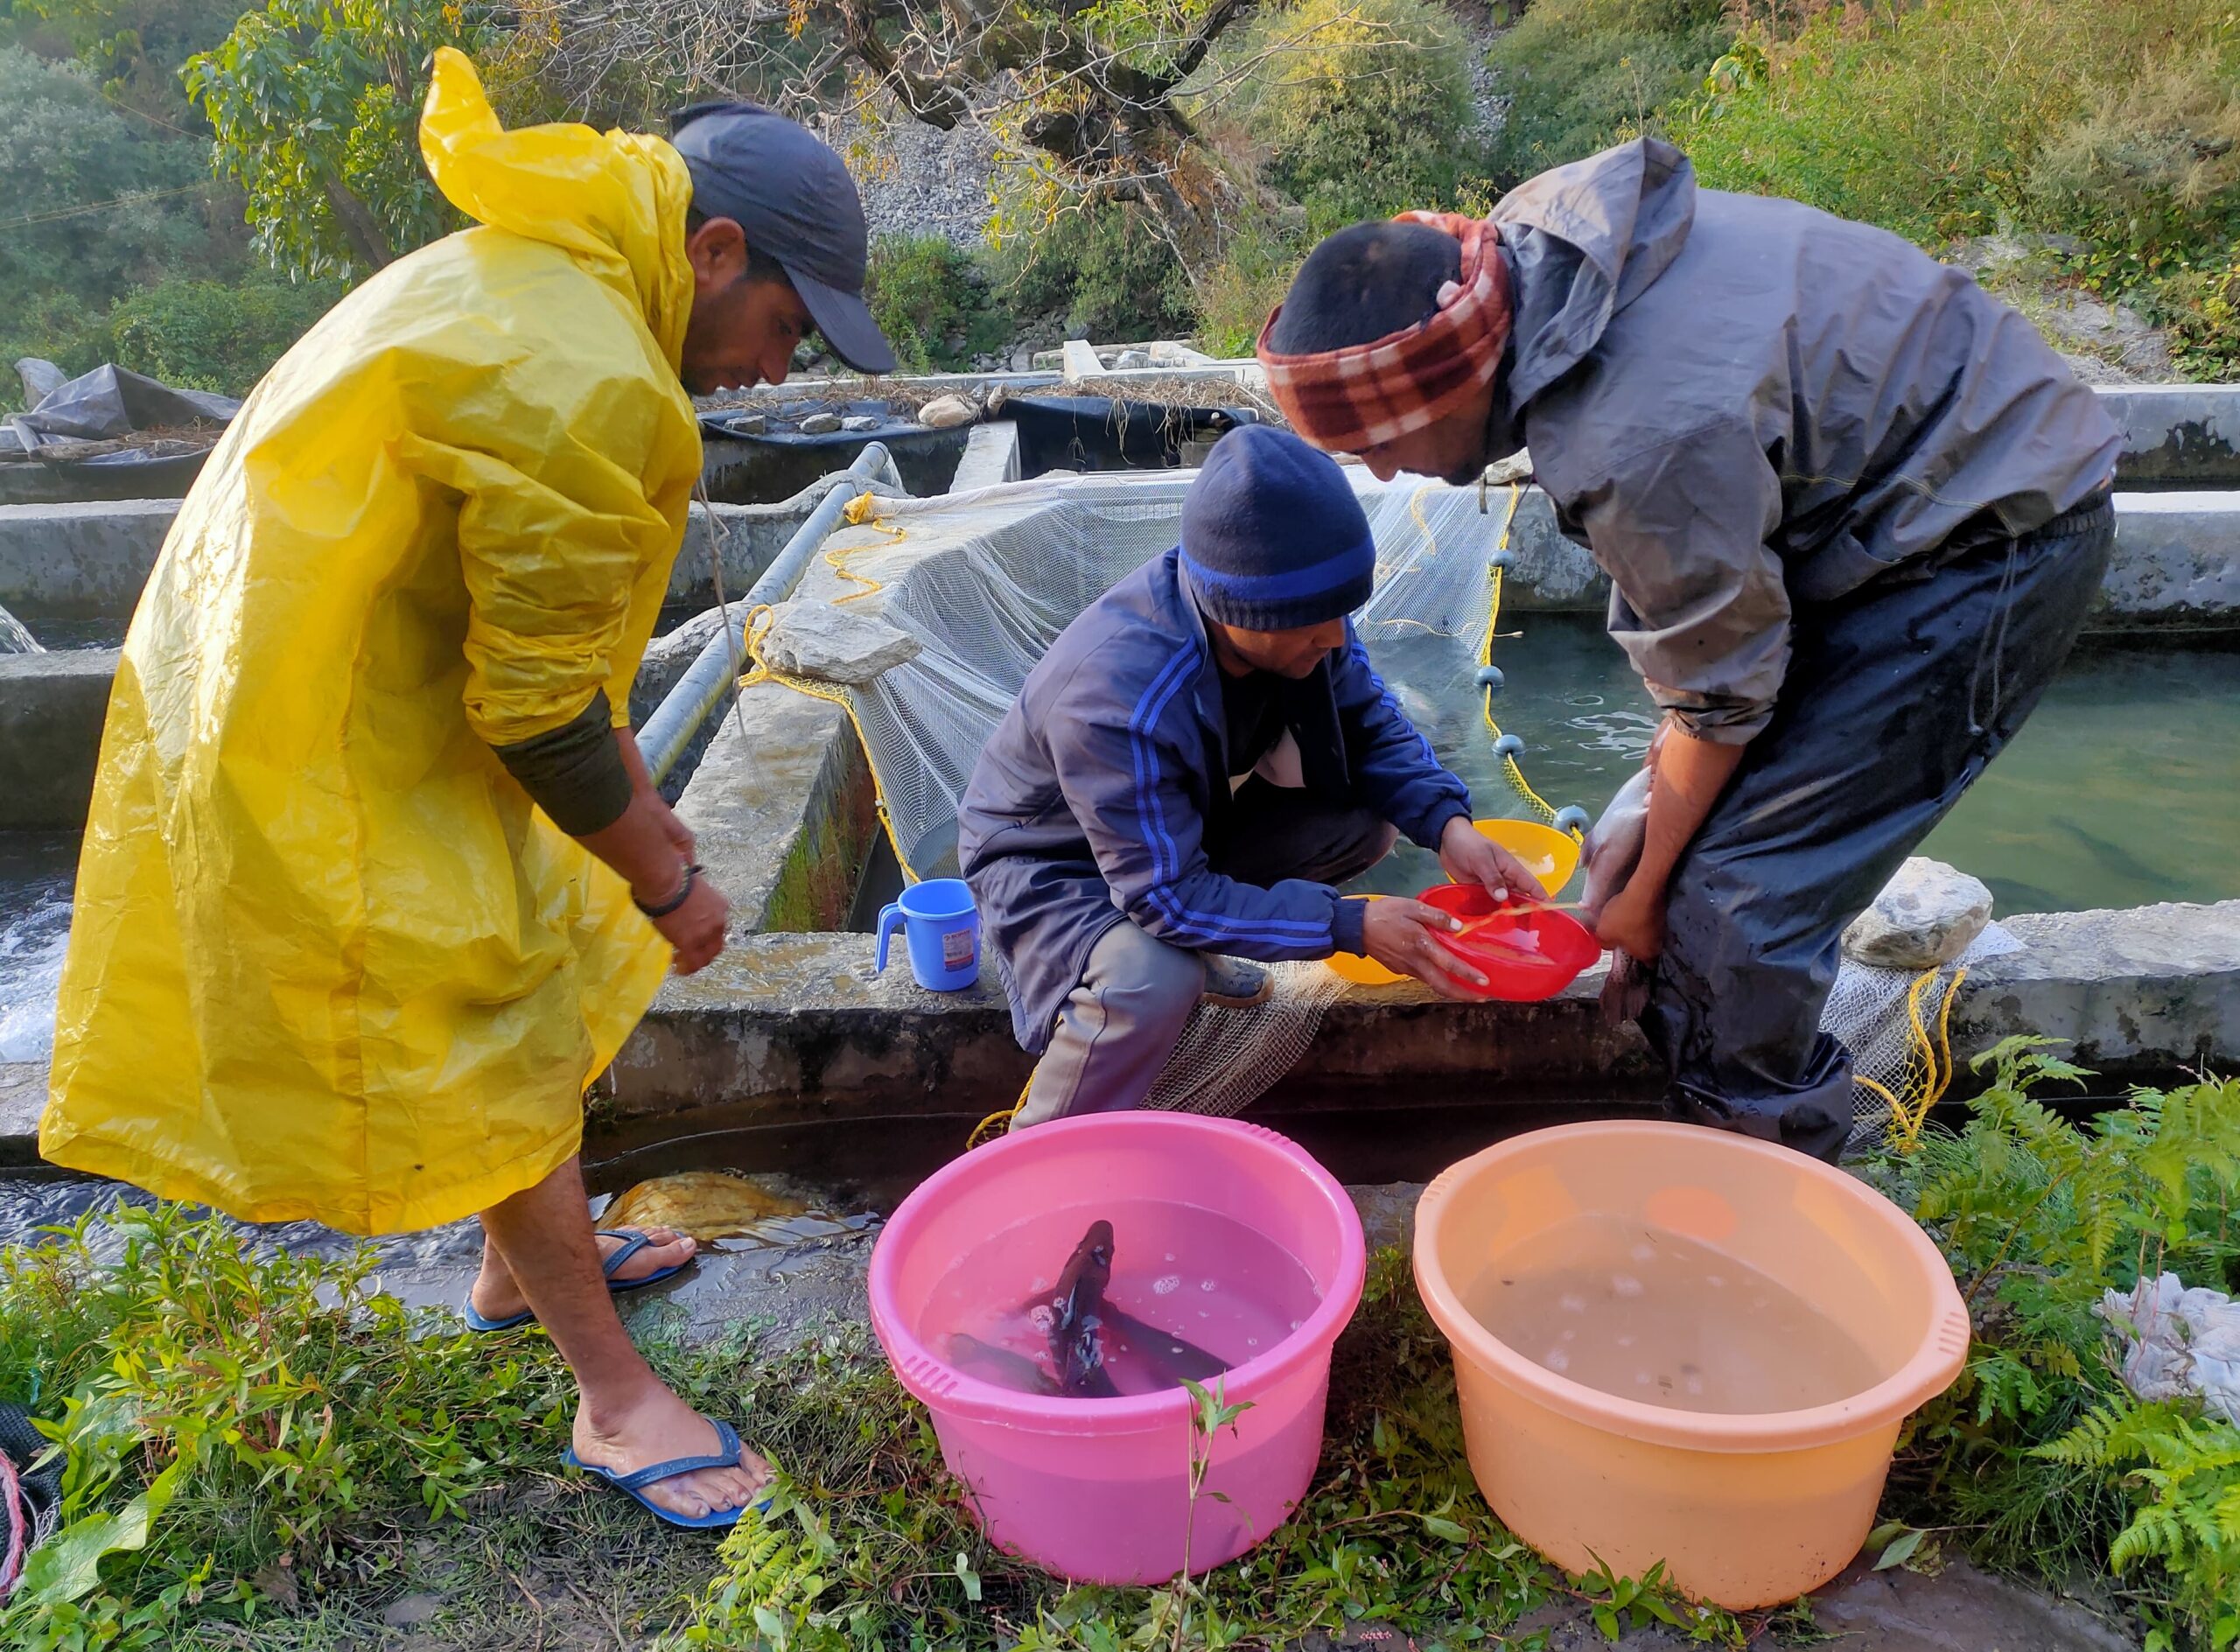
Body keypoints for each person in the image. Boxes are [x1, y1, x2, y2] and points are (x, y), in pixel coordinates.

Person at [39, 49, 895, 1529]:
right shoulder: (587, 376)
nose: (776, 368)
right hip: (324, 733)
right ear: (715, 252)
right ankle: (616, 1402)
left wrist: (628, 805)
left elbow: (542, 648)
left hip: (347, 677)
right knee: (494, 1014)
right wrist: (674, 881)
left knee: (552, 943)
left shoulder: (545, 279)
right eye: (783, 326)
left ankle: (518, 1259)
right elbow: (541, 719)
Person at [1256, 137, 2120, 1163]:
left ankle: (1759, 1201)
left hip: (1984, 542)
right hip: (1880, 510)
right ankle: (1717, 1122)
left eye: (1379, 445)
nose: (1388, 476)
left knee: (1737, 908)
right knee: (1680, 864)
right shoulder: (1532, 264)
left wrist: (1649, 896)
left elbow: (1719, 697)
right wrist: (1635, 838)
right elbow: (1716, 660)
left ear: (1444, 392)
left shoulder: (1636, 436)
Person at [956, 426, 1545, 1128]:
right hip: (1050, 862)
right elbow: (1163, 894)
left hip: (1165, 837)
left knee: (1366, 821)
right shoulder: (1117, 697)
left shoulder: (1298, 611)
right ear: (1241, 612)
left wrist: (1451, 828)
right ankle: (1040, 1149)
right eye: (1312, 624)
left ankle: (1196, 957)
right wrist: (1347, 924)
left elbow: (1370, 724)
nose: (1335, 637)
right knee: (1152, 976)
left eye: (1340, 614)